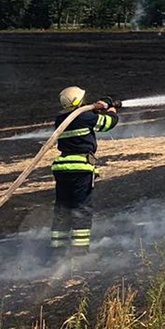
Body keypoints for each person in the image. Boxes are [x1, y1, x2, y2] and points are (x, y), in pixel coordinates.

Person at [50, 86, 118, 254]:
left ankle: (58, 250)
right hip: (80, 168)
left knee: (62, 208)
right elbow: (107, 124)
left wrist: (98, 108)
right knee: (81, 209)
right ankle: (80, 253)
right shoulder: (85, 116)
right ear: (79, 101)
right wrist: (112, 110)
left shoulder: (60, 119)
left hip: (62, 168)